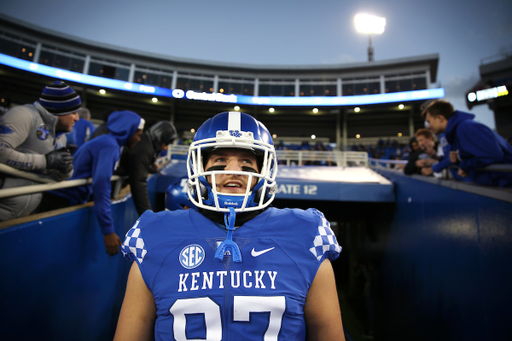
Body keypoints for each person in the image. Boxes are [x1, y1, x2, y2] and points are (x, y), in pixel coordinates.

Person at [114, 111, 345, 340]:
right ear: (198, 167)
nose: (232, 170)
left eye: (246, 161)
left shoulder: (306, 234)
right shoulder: (155, 235)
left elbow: (328, 333)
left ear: (264, 171)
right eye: (220, 160)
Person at [36, 110, 144, 256]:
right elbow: (101, 186)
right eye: (138, 134)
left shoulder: (109, 142)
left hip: (61, 197)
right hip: (61, 201)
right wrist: (108, 230)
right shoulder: (110, 145)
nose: (139, 139)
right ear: (129, 130)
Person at [0, 80, 79, 221]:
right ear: (60, 111)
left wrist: (65, 170)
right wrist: (44, 161)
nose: (77, 118)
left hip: (20, 217)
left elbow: (55, 177)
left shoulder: (61, 137)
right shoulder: (23, 115)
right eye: (73, 112)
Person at [423, 100, 512, 187]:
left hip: (505, 183)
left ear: (440, 118)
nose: (428, 126)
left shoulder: (465, 127)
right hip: (499, 184)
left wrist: (464, 165)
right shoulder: (456, 131)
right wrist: (458, 160)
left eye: (429, 121)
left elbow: (492, 155)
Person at [115, 120, 177, 216]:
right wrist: (148, 217)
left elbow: (138, 166)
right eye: (166, 144)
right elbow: (138, 184)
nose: (165, 148)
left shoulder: (146, 141)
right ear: (159, 137)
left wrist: (152, 168)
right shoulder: (144, 148)